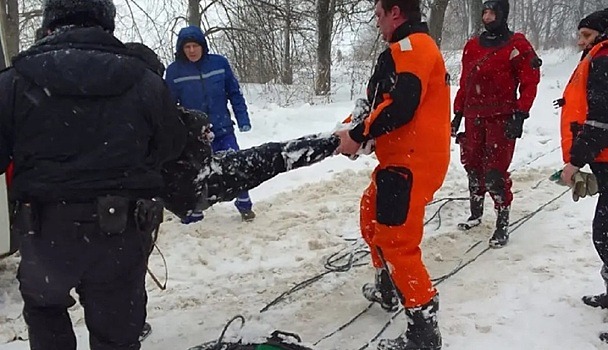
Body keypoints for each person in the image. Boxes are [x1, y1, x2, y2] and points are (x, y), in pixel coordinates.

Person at [0, 1, 187, 349]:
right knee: (117, 336)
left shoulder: (14, 82)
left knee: (45, 313)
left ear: (49, 23)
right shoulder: (143, 80)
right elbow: (171, 146)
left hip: (44, 236)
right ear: (105, 22)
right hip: (118, 234)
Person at [334, 0, 450, 348]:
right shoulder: (401, 49)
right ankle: (388, 285)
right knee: (370, 214)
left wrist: (359, 136)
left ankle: (423, 329)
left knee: (398, 242)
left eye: (379, 14)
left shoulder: (413, 48)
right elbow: (380, 103)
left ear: (396, 12)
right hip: (398, 160)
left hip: (411, 164)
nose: (378, 21)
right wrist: (351, 130)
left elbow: (402, 104)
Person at [452, 0, 541, 248]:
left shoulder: (517, 45)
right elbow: (465, 83)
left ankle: (502, 223)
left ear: (503, 15)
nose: (488, 17)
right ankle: (476, 214)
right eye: (485, 12)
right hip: (473, 116)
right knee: (473, 166)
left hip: (501, 117)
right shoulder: (472, 46)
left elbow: (530, 81)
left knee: (494, 173)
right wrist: (457, 113)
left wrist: (521, 114)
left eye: (493, 12)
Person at [165, 25, 255, 224]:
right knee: (196, 173)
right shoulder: (174, 71)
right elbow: (169, 106)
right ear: (181, 49)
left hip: (222, 128)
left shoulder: (219, 63)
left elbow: (234, 93)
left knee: (236, 164)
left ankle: (244, 203)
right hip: (195, 134)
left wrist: (243, 119)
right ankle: (195, 211)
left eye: (195, 45)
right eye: (187, 47)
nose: (191, 50)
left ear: (202, 46)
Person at [556, 8, 608, 343]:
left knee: (604, 234)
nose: (580, 41)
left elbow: (601, 120)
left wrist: (575, 162)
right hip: (604, 160)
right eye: (579, 35)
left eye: (587, 36)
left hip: (601, 152)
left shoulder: (604, 61)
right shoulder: (597, 57)